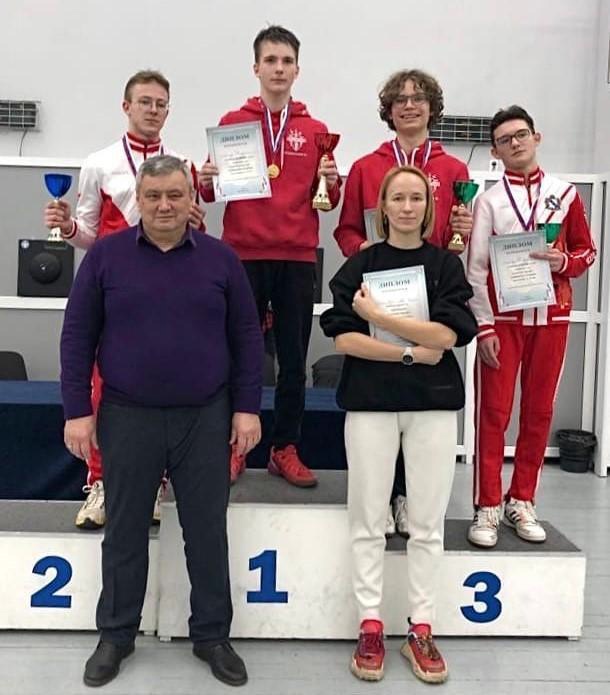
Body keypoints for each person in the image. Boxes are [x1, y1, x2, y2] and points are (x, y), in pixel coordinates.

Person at [60, 155, 262, 688]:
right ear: (139, 200)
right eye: (153, 196)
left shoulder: (222, 260)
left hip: (206, 416)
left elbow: (247, 338)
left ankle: (212, 636)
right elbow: (77, 337)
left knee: (207, 531)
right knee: (124, 531)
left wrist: (247, 407)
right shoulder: (105, 258)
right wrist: (77, 411)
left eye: (175, 195)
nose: (165, 206)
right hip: (127, 416)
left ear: (191, 198)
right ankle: (116, 635)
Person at [321, 165, 477, 683]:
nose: (407, 207)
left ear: (428, 208)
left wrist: (383, 320)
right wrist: (411, 351)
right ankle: (370, 624)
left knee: (426, 525)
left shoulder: (445, 265)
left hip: (433, 406)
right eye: (398, 198)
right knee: (367, 519)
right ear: (382, 208)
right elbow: (344, 339)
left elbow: (449, 337)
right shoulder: (360, 265)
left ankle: (421, 628)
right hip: (370, 403)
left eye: (416, 198)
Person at [44, 70, 204, 529]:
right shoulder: (99, 163)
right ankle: (101, 484)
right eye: (145, 102)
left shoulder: (184, 164)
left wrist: (196, 221)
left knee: (163, 382)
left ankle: (153, 486)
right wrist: (67, 227)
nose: (153, 110)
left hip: (170, 288)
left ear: (168, 110)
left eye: (161, 104)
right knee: (104, 387)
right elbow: (88, 234)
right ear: (126, 106)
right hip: (116, 288)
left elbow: (193, 232)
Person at [200, 25, 341, 487]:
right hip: (242, 254)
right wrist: (206, 178)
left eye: (286, 61)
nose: (279, 69)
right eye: (270, 60)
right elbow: (211, 191)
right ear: (256, 67)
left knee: (293, 360)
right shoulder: (233, 122)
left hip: (297, 257)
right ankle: (233, 447)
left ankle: (285, 447)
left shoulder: (316, 131)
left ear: (297, 69)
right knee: (237, 354)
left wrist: (331, 182)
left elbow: (327, 202)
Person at [333, 69, 472, 536]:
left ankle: (411, 498)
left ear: (432, 108)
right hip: (379, 290)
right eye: (400, 100)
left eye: (418, 98)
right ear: (388, 111)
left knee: (420, 404)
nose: (409, 106)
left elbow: (455, 236)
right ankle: (385, 497)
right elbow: (346, 230)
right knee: (381, 396)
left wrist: (461, 233)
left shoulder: (454, 170)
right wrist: (369, 260)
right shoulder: (365, 167)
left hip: (428, 296)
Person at [466, 105, 596, 548]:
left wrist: (563, 261)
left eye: (521, 134)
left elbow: (587, 251)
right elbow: (476, 268)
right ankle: (487, 504)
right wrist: (484, 326)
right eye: (505, 140)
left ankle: (522, 498)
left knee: (539, 412)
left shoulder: (565, 194)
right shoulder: (489, 201)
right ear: (495, 152)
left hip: (551, 317)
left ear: (536, 137)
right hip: (504, 321)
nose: (515, 143)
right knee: (493, 413)